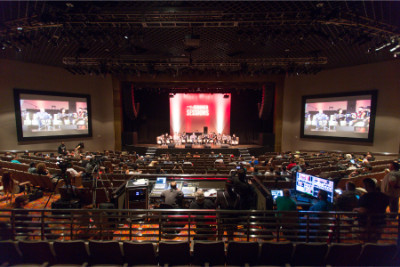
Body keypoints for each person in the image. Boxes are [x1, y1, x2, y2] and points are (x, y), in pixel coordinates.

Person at [354, 178, 389, 242]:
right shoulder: (384, 196)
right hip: (380, 223)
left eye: (364, 186)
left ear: (367, 186)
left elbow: (363, 210)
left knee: (353, 225)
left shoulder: (365, 197)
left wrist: (356, 209)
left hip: (366, 224)